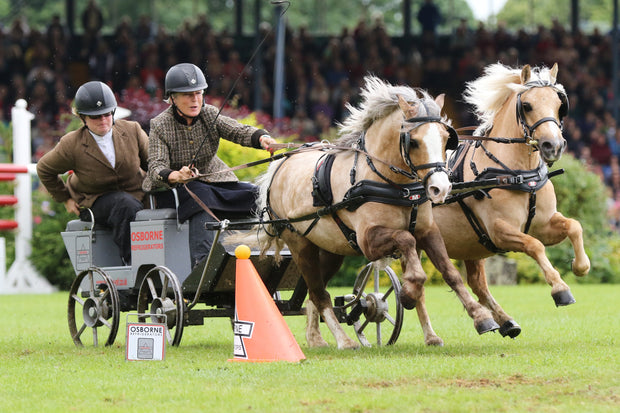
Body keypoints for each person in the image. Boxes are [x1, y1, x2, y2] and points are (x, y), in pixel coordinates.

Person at [142, 63, 277, 269]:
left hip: (215, 183)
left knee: (258, 195)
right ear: (172, 98)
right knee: (201, 194)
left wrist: (262, 138)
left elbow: (237, 131)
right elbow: (155, 167)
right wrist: (176, 175)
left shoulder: (209, 114)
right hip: (174, 191)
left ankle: (256, 256)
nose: (195, 100)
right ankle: (202, 265)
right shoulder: (160, 124)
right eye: (188, 95)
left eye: (198, 93)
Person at [37, 81, 149, 265]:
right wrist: (64, 197)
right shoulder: (71, 143)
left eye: (107, 114)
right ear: (83, 118)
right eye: (96, 117)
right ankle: (134, 267)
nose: (103, 121)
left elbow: (152, 163)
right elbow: (44, 169)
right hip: (96, 200)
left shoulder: (133, 130)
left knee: (175, 198)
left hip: (138, 194)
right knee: (125, 205)